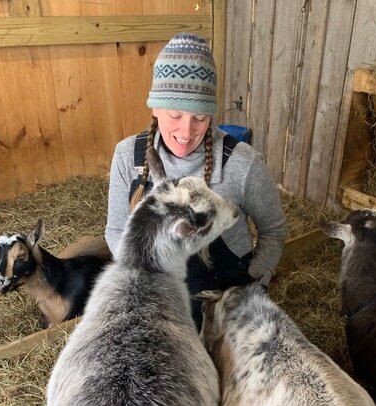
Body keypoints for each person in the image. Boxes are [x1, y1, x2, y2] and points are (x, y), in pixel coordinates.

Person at [105, 32, 287, 328]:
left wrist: (255, 279)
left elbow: (274, 229)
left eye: (200, 118)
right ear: (154, 107)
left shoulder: (242, 163)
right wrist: (144, 279)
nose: (186, 132)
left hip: (227, 301)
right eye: (175, 115)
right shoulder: (129, 156)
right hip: (160, 300)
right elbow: (115, 230)